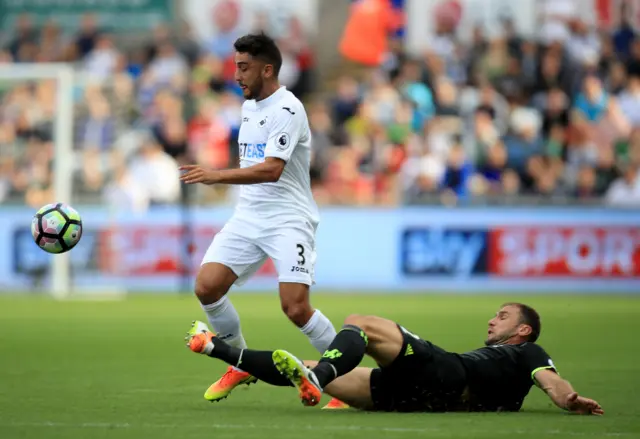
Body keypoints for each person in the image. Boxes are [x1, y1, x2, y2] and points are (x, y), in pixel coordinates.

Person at [179, 33, 342, 408]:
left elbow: (270, 170)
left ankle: (344, 380)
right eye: (235, 66)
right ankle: (240, 362)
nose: (235, 74)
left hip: (288, 219)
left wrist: (215, 176)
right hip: (248, 216)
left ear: (267, 69)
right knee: (207, 287)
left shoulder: (288, 110)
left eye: (243, 67)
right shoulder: (249, 105)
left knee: (296, 307)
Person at [185, 303, 603, 415]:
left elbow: (552, 381)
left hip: (449, 374)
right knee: (300, 369)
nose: (493, 320)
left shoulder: (526, 351)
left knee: (359, 323)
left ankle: (325, 373)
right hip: (422, 400)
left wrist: (569, 400)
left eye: (504, 316)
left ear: (524, 330)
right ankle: (217, 348)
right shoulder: (508, 362)